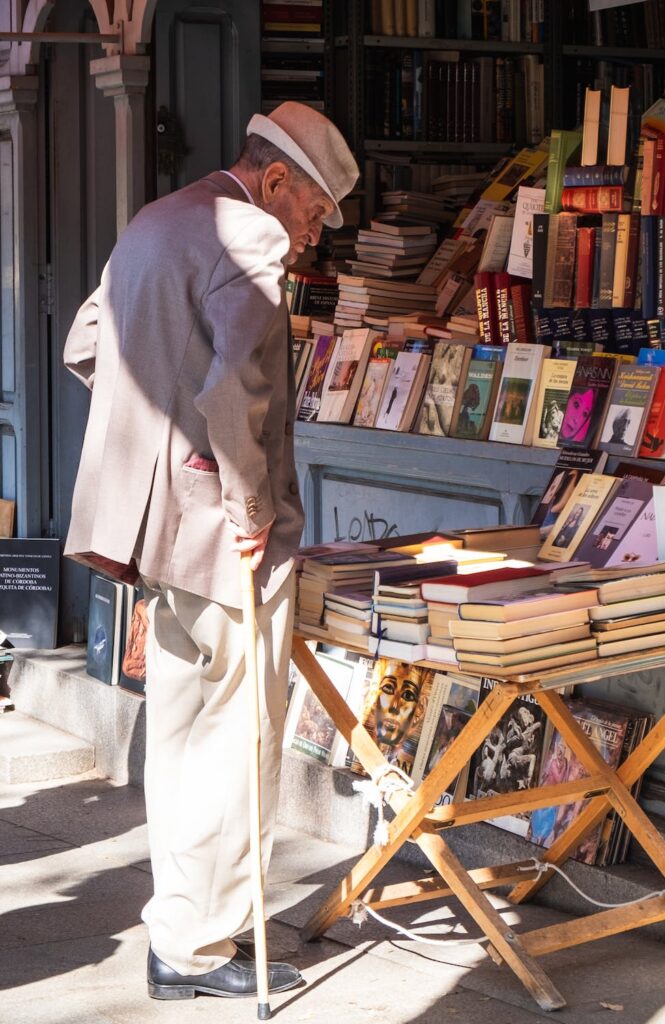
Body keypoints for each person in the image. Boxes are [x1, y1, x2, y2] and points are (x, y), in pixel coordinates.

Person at [63, 102, 359, 1002]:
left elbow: (86, 344)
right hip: (226, 534)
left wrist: (157, 435)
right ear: (275, 182)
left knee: (187, 736)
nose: (309, 238)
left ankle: (182, 930)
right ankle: (200, 943)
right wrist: (243, 505)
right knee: (236, 742)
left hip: (155, 526)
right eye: (312, 214)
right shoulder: (250, 239)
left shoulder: (154, 221)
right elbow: (236, 392)